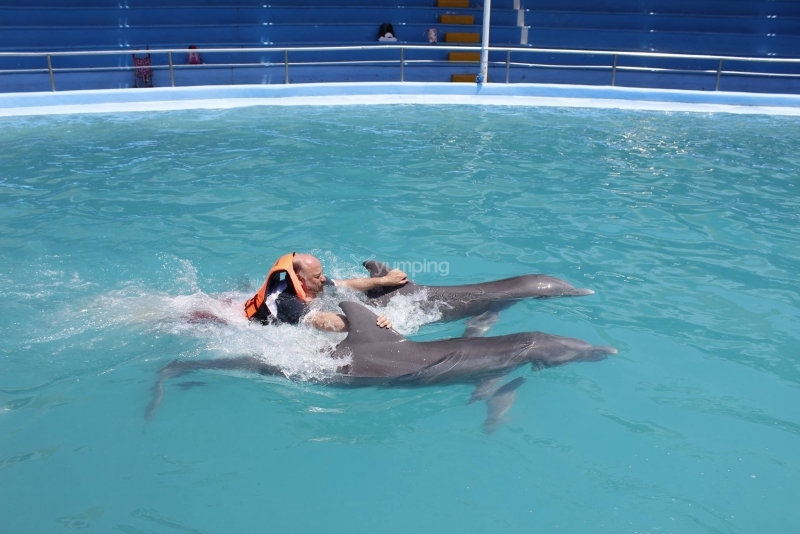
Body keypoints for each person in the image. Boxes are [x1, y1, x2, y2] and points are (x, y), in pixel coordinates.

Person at [244, 252, 408, 332]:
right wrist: (366, 323)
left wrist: (384, 280)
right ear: (299, 280)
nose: (323, 279)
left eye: (321, 273)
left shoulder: (312, 282)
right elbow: (319, 320)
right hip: (242, 323)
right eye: (317, 276)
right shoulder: (285, 301)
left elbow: (345, 284)